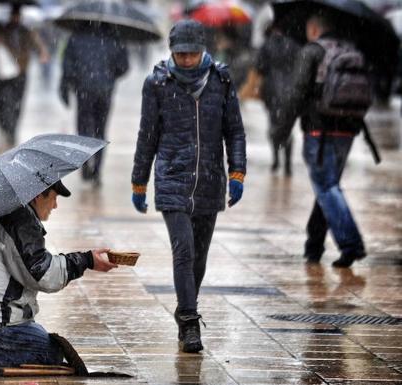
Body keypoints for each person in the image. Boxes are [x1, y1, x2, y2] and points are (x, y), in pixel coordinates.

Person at [130, 20, 246, 353]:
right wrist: (140, 181)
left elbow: (234, 131)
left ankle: (185, 309)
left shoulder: (221, 81)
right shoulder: (157, 83)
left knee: (199, 257)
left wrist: (237, 172)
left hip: (210, 180)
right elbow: (147, 135)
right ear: (172, 52)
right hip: (172, 178)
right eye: (180, 54)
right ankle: (190, 321)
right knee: (183, 250)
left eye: (192, 53)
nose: (186, 60)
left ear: (202, 50)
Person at [0, 180, 118, 376]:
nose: (55, 205)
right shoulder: (19, 220)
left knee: (39, 336)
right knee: (51, 353)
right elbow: (43, 275)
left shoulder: (0, 212)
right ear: (38, 195)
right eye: (54, 198)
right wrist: (86, 260)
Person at [275, 14, 371, 268]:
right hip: (347, 131)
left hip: (319, 130)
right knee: (328, 186)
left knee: (326, 187)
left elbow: (295, 93)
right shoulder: (351, 49)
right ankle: (314, 245)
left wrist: (281, 131)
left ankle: (351, 244)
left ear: (315, 28)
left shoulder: (312, 51)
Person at [59, 27, 129, 186]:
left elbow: (67, 65)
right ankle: (97, 171)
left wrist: (72, 81)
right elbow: (124, 66)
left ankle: (85, 164)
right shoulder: (115, 37)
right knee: (101, 130)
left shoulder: (76, 36)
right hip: (105, 91)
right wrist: (109, 76)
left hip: (83, 89)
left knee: (84, 129)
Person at [240, 24, 300, 175]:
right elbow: (300, 66)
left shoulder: (266, 45)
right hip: (290, 91)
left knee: (273, 124)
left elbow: (259, 67)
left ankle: (276, 159)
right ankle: (287, 163)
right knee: (287, 126)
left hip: (271, 91)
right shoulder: (294, 44)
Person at [0, 5, 50, 145]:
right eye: (13, 15)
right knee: (3, 102)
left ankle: (12, 129)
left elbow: (37, 44)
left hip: (21, 73)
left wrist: (42, 53)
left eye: (17, 15)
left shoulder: (26, 32)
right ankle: (7, 126)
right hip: (2, 75)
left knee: (17, 103)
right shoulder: (0, 32)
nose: (15, 18)